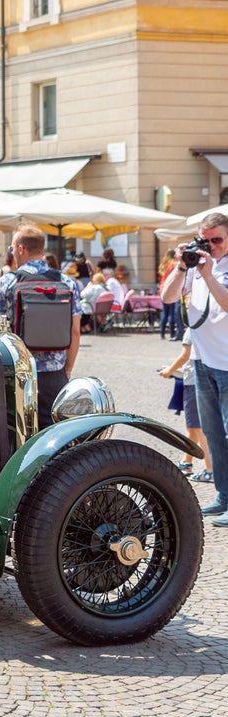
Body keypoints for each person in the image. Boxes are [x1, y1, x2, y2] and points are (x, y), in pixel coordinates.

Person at [160, 212, 228, 523]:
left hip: (227, 364)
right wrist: (181, 266)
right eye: (207, 240)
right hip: (202, 362)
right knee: (213, 434)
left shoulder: (217, 269)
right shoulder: (195, 266)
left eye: (218, 240)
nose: (211, 246)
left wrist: (211, 275)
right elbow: (168, 296)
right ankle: (223, 496)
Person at [0, 224, 82, 429]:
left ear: (21, 249)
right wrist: (67, 370)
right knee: (55, 431)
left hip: (17, 370)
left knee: (16, 432)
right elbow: (75, 331)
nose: (11, 253)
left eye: (12, 248)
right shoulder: (67, 282)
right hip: (55, 372)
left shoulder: (7, 282)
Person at [159, 331, 211, 482]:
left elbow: (185, 355)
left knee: (198, 427)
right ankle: (186, 462)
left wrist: (169, 370)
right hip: (206, 379)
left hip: (193, 382)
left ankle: (211, 469)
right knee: (193, 427)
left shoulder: (193, 327)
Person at [157, 248, 182, 341]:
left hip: (162, 289)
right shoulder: (174, 264)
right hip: (170, 289)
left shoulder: (163, 264)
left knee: (165, 313)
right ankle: (172, 333)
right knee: (172, 313)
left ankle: (162, 333)